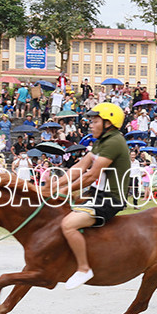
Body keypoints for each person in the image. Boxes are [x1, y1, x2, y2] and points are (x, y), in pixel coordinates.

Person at [37, 102, 130, 290]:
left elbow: (90, 175)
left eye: (95, 120)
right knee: (58, 209)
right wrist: (51, 186)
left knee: (68, 224)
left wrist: (63, 191)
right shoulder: (102, 141)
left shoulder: (113, 142)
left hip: (110, 199)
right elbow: (79, 168)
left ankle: (83, 268)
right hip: (97, 193)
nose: (90, 124)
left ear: (108, 123)